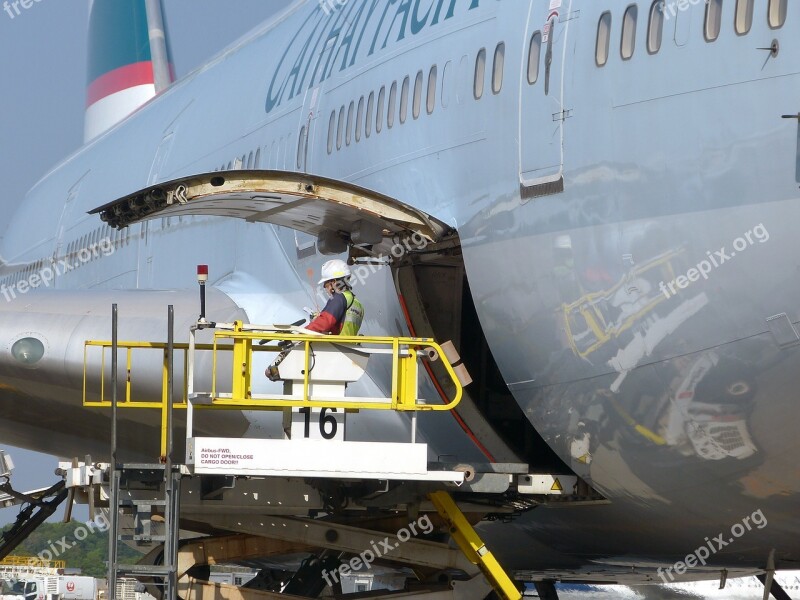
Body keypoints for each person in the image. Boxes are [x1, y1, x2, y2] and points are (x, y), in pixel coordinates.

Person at [306, 259, 364, 335]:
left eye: (325, 282)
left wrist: (301, 333)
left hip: (335, 345)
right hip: (348, 346)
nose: (324, 286)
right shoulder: (357, 303)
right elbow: (341, 325)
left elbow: (324, 323)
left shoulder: (338, 298)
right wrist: (319, 317)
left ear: (333, 282)